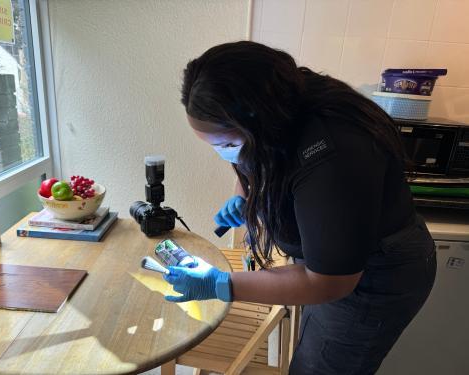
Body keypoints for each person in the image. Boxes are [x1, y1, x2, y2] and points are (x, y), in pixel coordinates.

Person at [163, 41, 436, 374]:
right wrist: (245, 196)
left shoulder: (333, 157)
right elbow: (254, 165)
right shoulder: (280, 113)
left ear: (261, 121)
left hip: (374, 279)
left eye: (229, 145)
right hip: (333, 265)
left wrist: (222, 283)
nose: (225, 155)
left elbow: (329, 283)